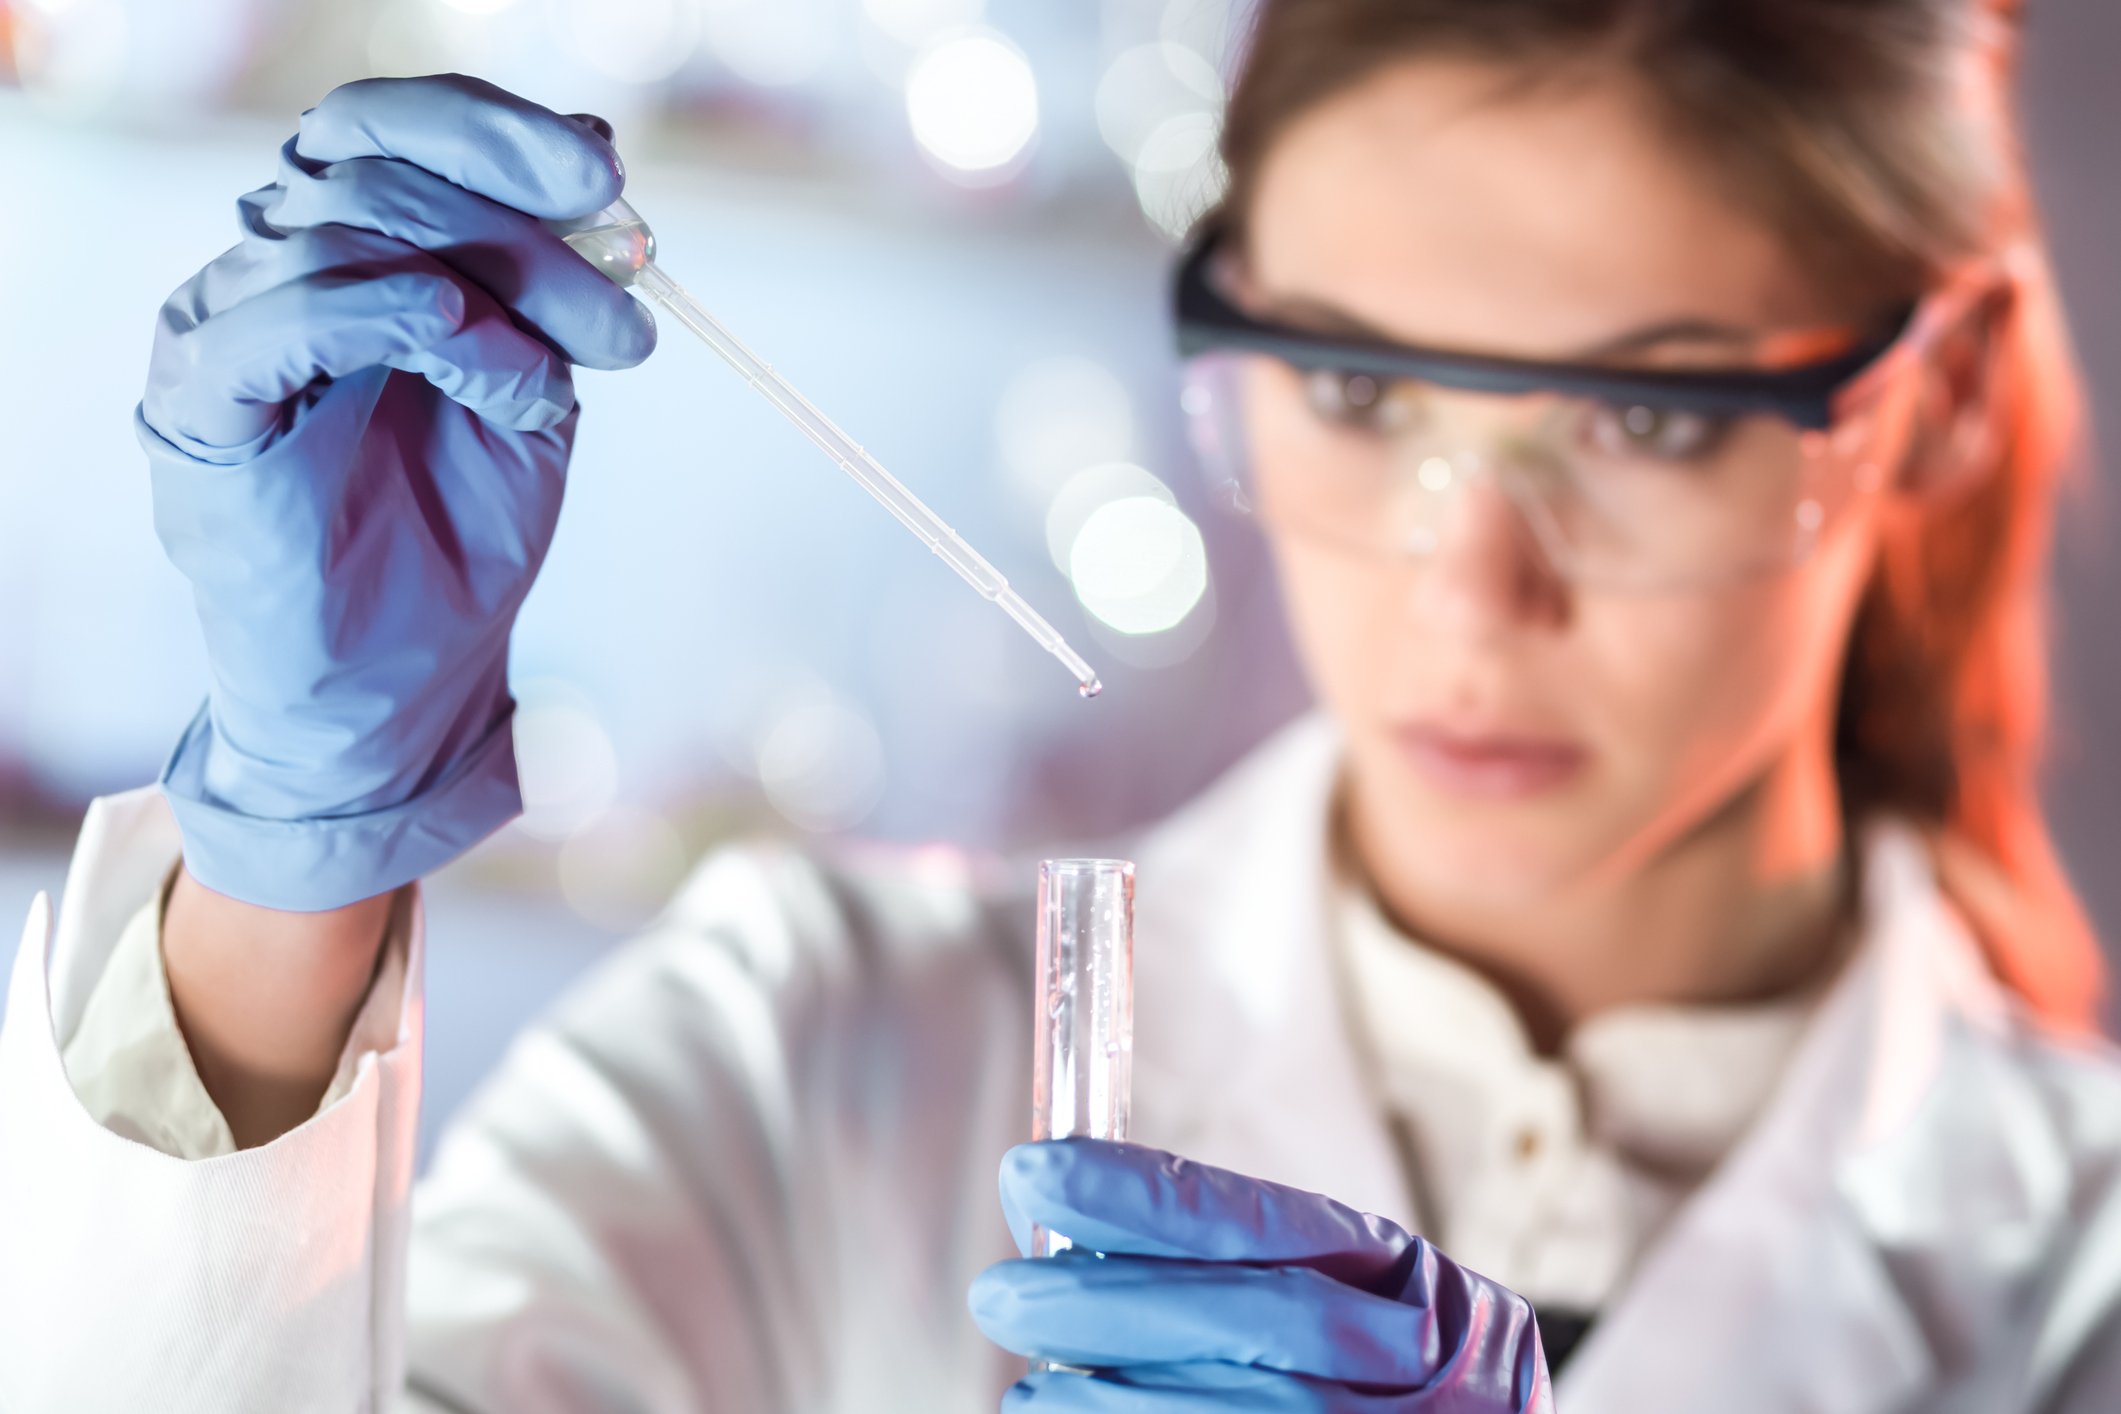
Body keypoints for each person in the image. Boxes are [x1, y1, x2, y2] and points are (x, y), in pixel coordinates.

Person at [3, 0, 2120, 1407]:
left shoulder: (2069, 1282)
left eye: (1648, 419)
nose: (1471, 584)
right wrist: (286, 854)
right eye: (1360, 390)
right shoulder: (814, 1042)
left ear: (1923, 405)